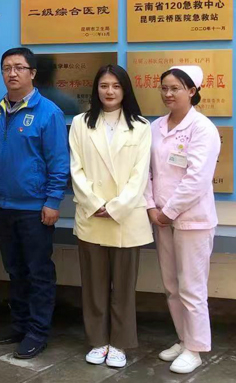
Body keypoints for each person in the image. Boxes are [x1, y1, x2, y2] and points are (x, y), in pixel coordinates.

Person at [0, 47, 69, 359]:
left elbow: (59, 162)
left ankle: (37, 332)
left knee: (38, 272)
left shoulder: (48, 112)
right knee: (14, 270)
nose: (12, 73)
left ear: (32, 73)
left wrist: (52, 200)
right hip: (2, 207)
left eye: (19, 67)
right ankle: (19, 324)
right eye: (7, 67)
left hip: (35, 209)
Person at [69, 65, 152, 368]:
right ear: (96, 89)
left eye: (116, 86)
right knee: (94, 285)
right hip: (91, 215)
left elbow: (140, 175)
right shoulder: (80, 123)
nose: (110, 91)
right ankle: (98, 340)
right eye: (104, 85)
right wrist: (95, 203)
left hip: (126, 217)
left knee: (124, 287)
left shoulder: (141, 126)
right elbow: (75, 168)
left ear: (125, 89)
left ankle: (119, 342)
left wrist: (116, 207)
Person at [146, 65, 220, 374]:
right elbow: (147, 171)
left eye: (175, 88)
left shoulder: (203, 128)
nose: (168, 93)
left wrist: (168, 211)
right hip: (161, 218)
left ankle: (196, 348)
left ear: (192, 91)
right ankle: (183, 338)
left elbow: (197, 178)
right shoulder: (156, 126)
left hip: (192, 221)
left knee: (191, 287)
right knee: (171, 285)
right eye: (164, 87)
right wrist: (151, 207)